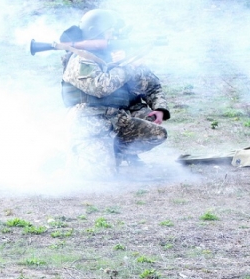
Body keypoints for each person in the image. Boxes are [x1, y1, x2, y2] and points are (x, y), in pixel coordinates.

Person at [59, 9, 170, 176]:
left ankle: (119, 153)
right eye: (109, 33)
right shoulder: (80, 59)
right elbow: (101, 87)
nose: (114, 37)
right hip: (89, 123)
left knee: (156, 133)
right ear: (96, 33)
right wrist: (126, 66)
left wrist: (160, 109)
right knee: (99, 177)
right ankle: (71, 156)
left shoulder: (119, 56)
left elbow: (152, 85)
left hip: (117, 118)